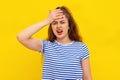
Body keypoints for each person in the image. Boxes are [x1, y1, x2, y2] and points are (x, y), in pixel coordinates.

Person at [17, 6, 92, 80]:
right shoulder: (46, 46)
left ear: (69, 26)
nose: (58, 26)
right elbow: (21, 37)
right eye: (54, 23)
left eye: (62, 22)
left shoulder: (81, 48)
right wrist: (47, 21)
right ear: (51, 26)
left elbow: (87, 77)